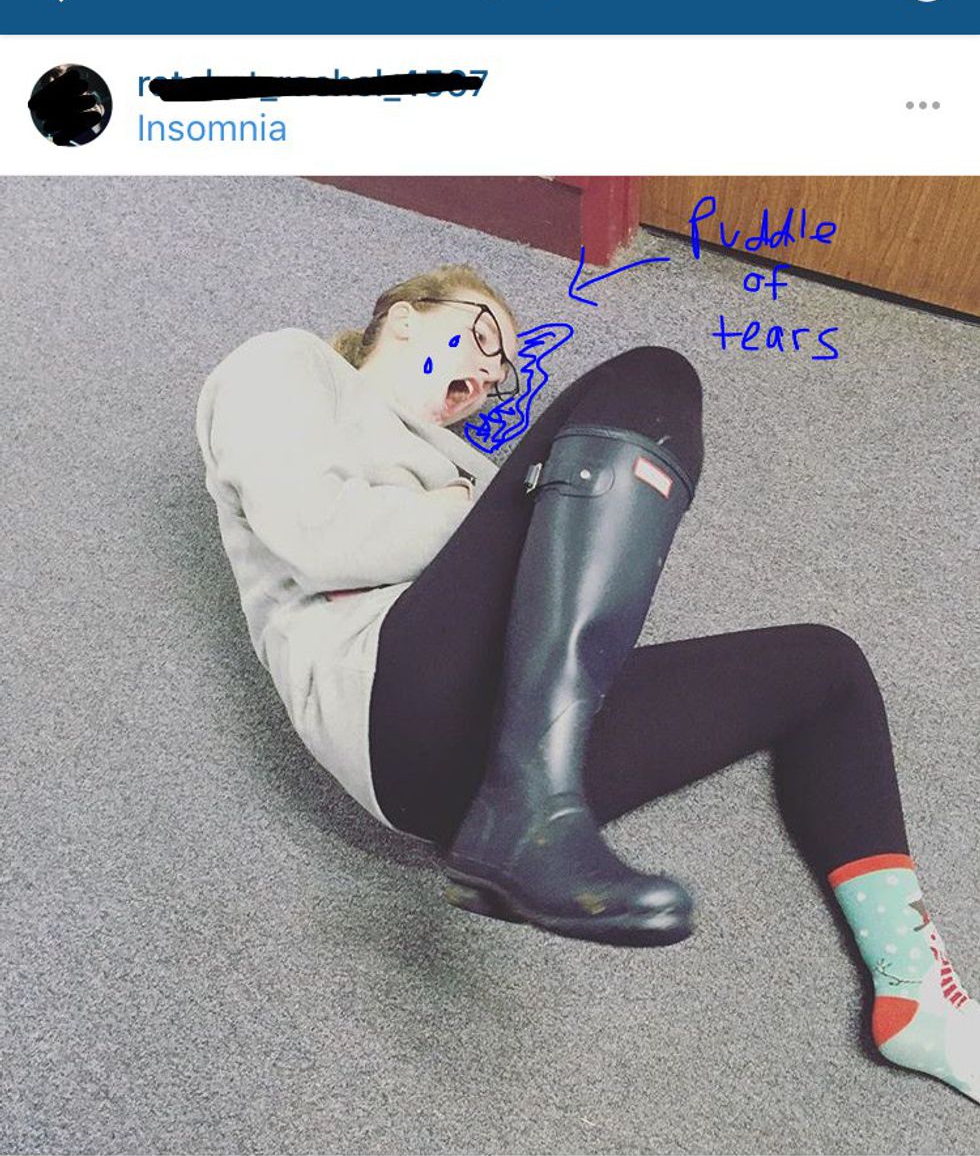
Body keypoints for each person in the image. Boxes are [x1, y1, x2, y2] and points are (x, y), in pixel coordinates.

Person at [197, 263, 979, 1106]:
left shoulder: (474, 468)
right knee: (652, 377)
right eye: (481, 335)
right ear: (405, 316)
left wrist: (516, 507)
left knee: (825, 668)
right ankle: (531, 808)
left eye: (501, 373)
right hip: (385, 692)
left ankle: (918, 995)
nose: (488, 375)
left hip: (494, 766)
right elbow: (316, 534)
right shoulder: (289, 365)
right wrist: (488, 508)